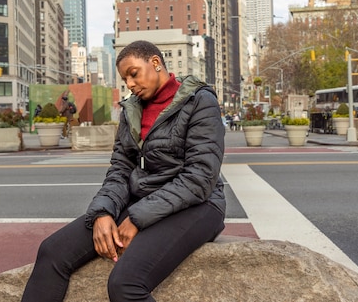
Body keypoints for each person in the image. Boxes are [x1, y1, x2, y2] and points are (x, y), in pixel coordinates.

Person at [21, 40, 226, 302]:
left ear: (155, 63)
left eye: (133, 73)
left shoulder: (200, 101)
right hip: (145, 199)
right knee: (52, 252)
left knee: (125, 283)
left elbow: (200, 178)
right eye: (124, 78)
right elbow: (120, 169)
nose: (129, 84)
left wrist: (138, 217)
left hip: (200, 205)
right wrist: (103, 212)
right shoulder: (131, 110)